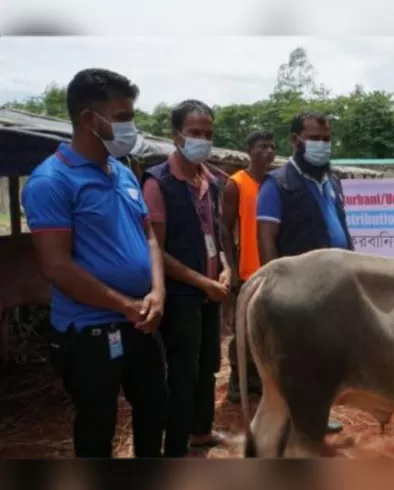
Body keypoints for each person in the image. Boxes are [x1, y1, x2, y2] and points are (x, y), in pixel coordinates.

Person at [20, 68, 167, 458]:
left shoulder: (123, 173)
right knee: (97, 425)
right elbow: (57, 267)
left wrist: (156, 292)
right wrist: (128, 305)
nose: (131, 126)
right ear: (89, 119)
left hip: (141, 320)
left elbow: (149, 236)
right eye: (122, 117)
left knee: (154, 408)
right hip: (89, 332)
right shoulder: (51, 181)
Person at [141, 99, 232, 457]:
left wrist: (224, 268)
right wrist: (202, 282)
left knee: (208, 367)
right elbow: (156, 251)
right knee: (182, 374)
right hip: (181, 296)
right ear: (175, 135)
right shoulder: (158, 183)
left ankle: (200, 431)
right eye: (195, 133)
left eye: (208, 134)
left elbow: (217, 236)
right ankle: (175, 450)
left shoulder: (211, 181)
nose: (203, 140)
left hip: (210, 292)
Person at [256, 111, 354, 435]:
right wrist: (275, 288)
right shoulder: (278, 183)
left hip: (334, 285)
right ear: (295, 140)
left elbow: (339, 228)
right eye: (314, 138)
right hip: (298, 289)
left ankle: (316, 417)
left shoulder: (333, 181)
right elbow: (266, 239)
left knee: (324, 358)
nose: (322, 145)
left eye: (326, 139)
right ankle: (284, 427)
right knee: (294, 360)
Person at [221, 130, 276, 403]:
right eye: (262, 147)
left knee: (266, 328)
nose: (268, 152)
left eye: (271, 147)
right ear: (249, 151)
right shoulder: (236, 184)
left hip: (271, 270)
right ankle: (237, 378)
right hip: (246, 271)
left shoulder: (274, 184)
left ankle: (257, 379)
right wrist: (230, 267)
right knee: (242, 330)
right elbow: (224, 228)